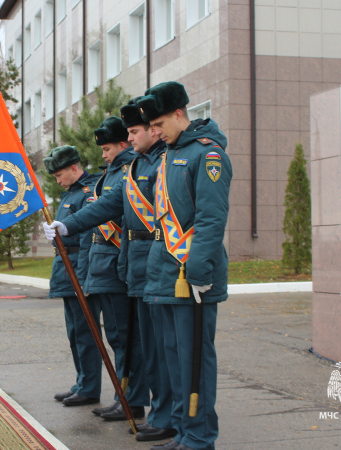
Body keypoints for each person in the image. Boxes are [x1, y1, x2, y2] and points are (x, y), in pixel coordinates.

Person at [43, 100, 177, 444]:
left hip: (143, 264)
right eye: (129, 133)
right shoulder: (125, 171)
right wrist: (68, 226)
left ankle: (139, 403)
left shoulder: (150, 164)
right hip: (124, 265)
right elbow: (105, 211)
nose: (105, 154)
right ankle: (132, 401)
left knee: (142, 343)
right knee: (128, 340)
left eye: (133, 133)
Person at [137, 81, 232, 450]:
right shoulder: (170, 154)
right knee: (175, 361)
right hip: (165, 274)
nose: (154, 132)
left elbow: (210, 220)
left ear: (180, 114)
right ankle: (183, 431)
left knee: (194, 363)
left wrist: (198, 271)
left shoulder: (207, 155)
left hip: (191, 277)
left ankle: (199, 436)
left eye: (158, 124)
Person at [86, 117, 149, 423]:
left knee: (126, 339)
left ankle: (131, 399)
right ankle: (122, 397)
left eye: (108, 147)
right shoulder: (109, 174)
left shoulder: (129, 170)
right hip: (103, 268)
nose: (103, 154)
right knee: (117, 338)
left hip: (116, 268)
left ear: (123, 144)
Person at [44, 145, 103, 407]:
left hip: (80, 267)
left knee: (86, 331)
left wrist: (84, 276)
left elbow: (90, 235)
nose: (57, 181)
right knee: (74, 332)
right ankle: (82, 382)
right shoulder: (70, 195)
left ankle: (90, 387)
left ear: (74, 168)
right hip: (67, 269)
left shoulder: (89, 194)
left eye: (59, 175)